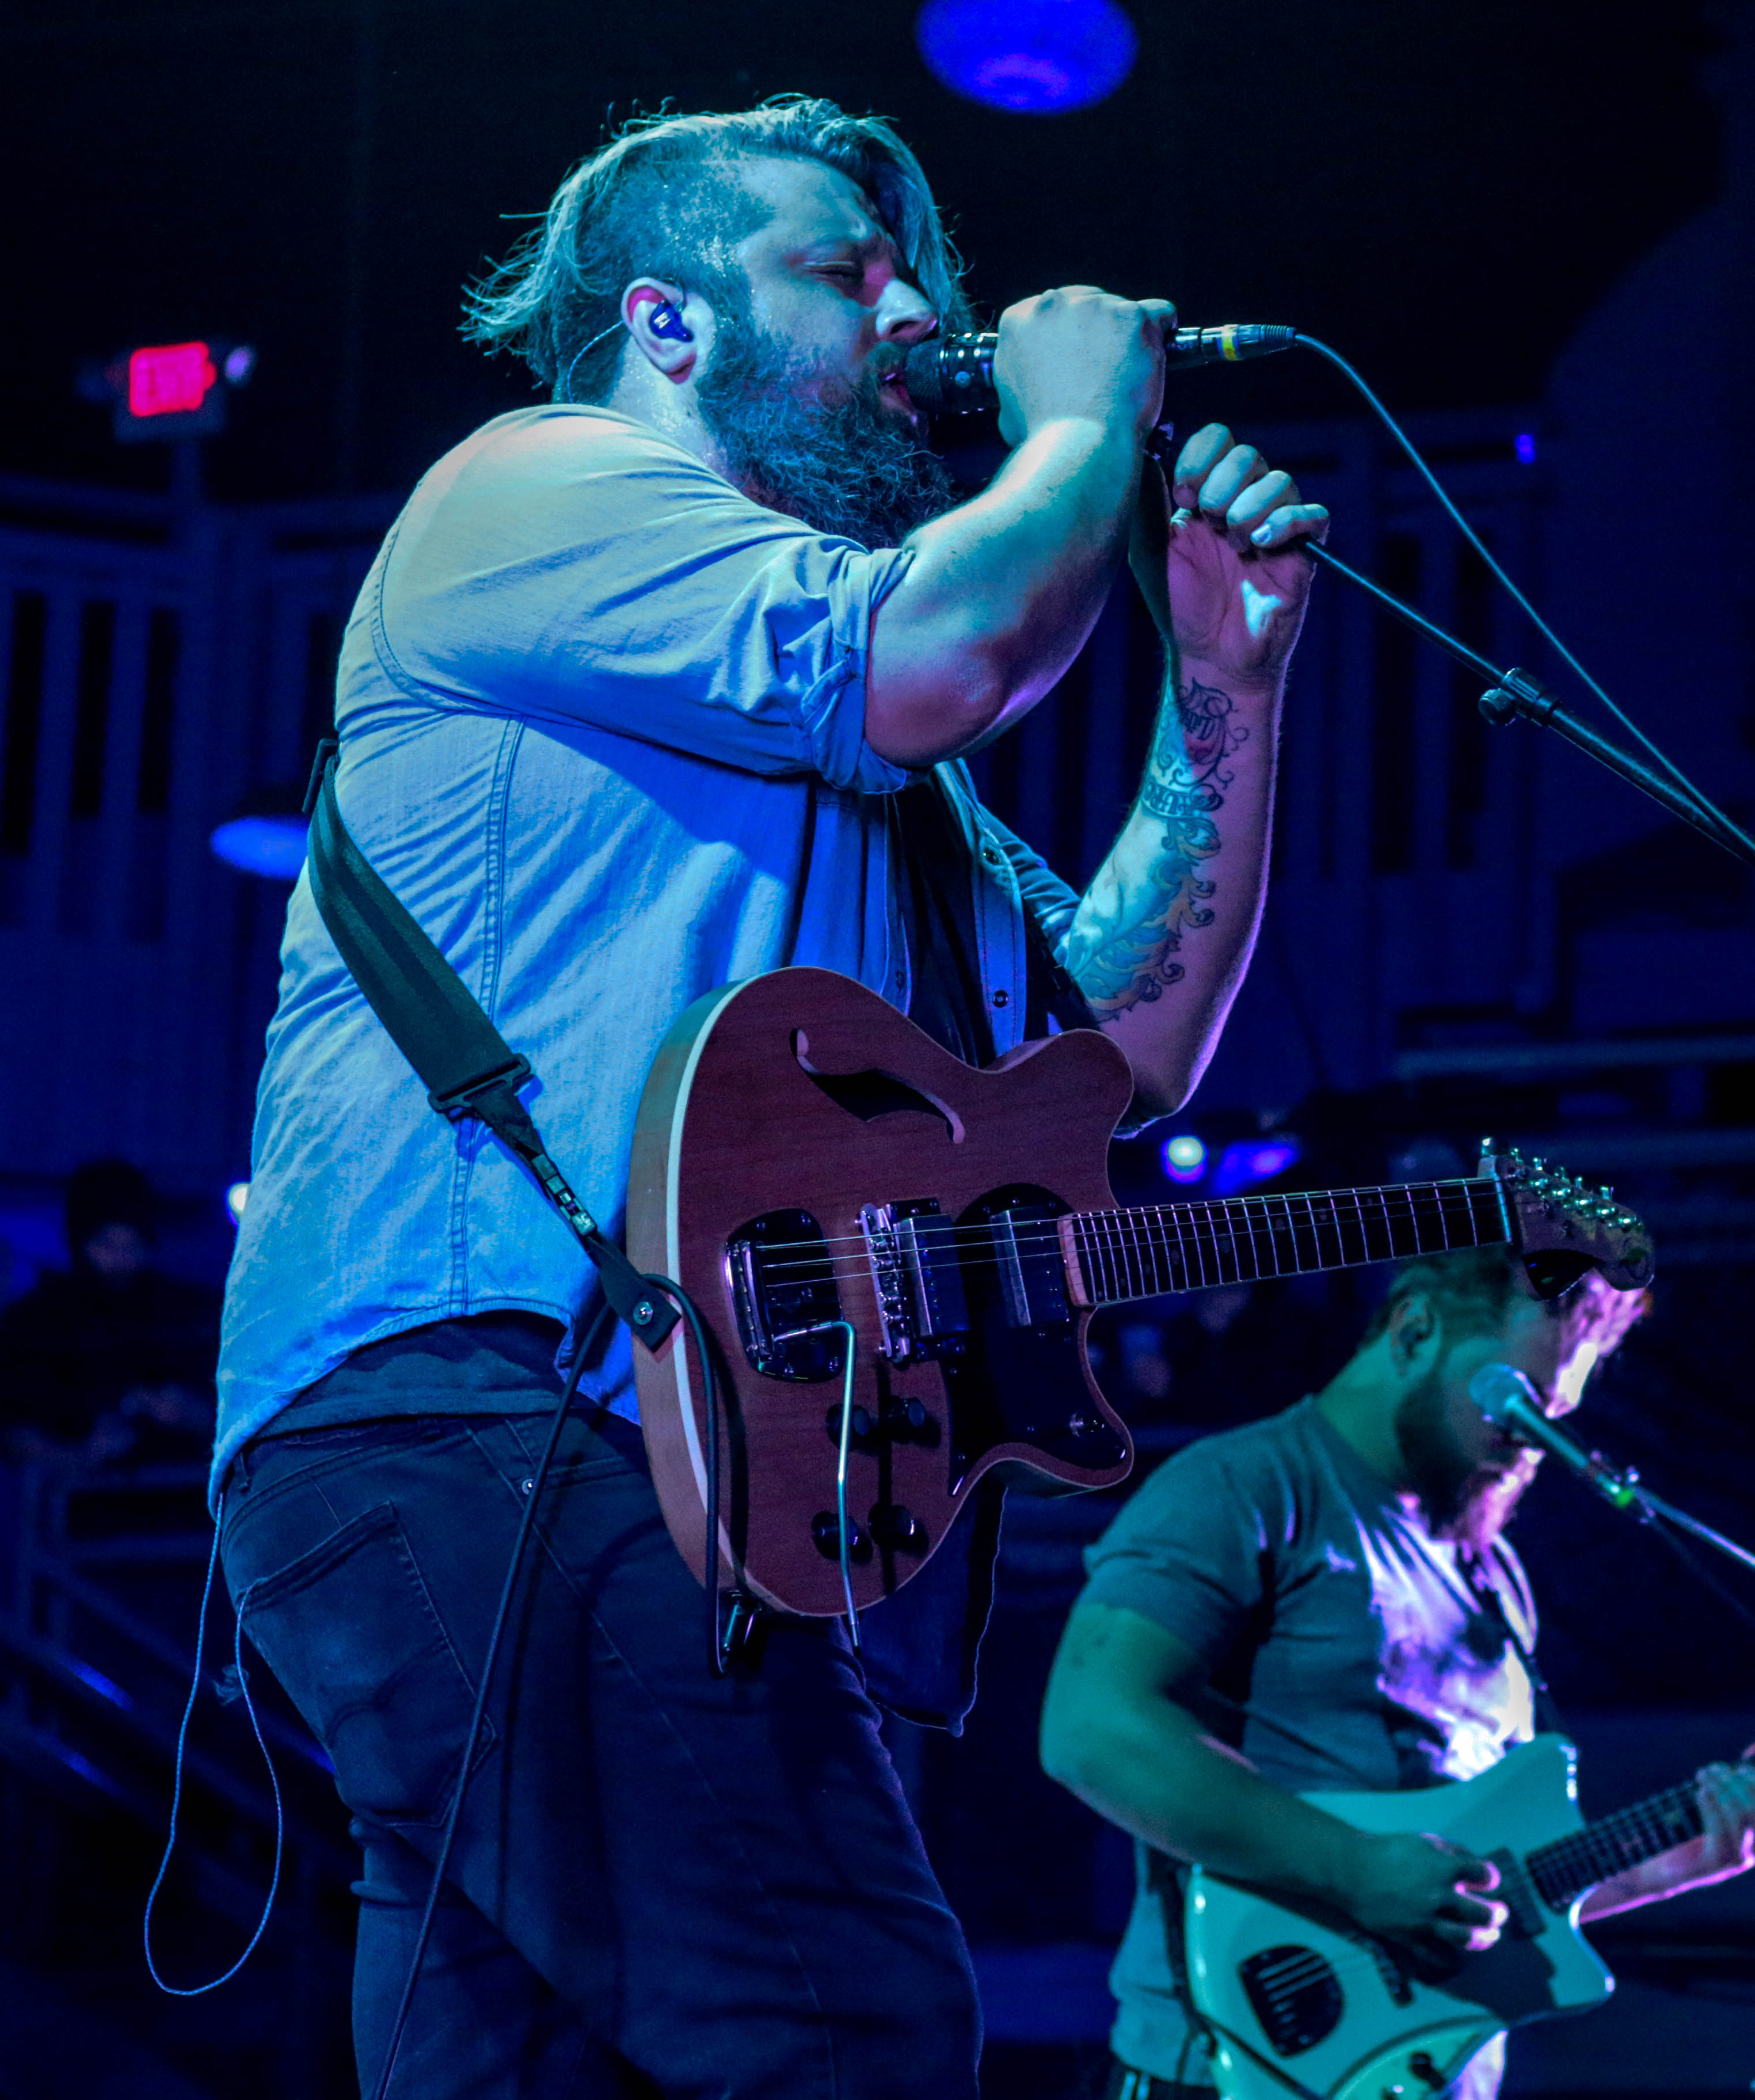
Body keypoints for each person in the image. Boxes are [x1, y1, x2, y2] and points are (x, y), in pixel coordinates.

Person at [210, 98, 1325, 2099]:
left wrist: (1226, 689)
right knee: (844, 2024)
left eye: (919, 281)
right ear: (669, 318)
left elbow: (1115, 1053)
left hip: (648, 1451)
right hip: (500, 1403)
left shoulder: (877, 757)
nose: (911, 316)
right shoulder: (535, 486)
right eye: (843, 269)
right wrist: (1084, 418)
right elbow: (946, 645)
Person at [1040, 1247, 1755, 2100]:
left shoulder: (1493, 1573)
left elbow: (1482, 1882)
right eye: (1515, 1399)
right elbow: (1090, 1731)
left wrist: (1669, 1865)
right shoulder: (1245, 1487)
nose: (1534, 1440)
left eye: (1556, 1414)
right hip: (1231, 2071)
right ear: (1413, 1332)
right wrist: (1357, 1870)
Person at [0, 1159, 218, 1470]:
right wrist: (80, 1455)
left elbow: (237, 1415)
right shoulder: (34, 1322)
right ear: (78, 1243)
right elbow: (11, 1431)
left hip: (180, 1491)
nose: (121, 1259)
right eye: (106, 1244)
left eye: (134, 1244)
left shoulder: (186, 1313)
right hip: (70, 1496)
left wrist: (194, 1414)